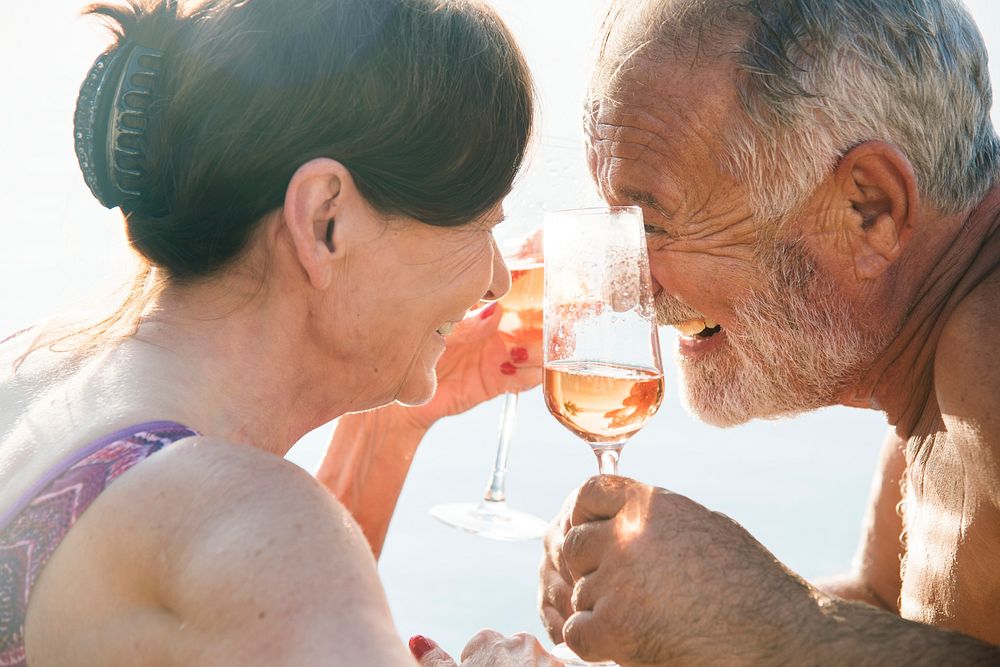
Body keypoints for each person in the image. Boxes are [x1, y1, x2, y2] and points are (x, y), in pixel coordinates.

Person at [0, 0, 561, 664]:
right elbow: (272, 571)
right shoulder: (261, 525)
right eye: (480, 226)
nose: (497, 279)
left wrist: (383, 434)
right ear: (326, 218)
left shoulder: (35, 362)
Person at [540, 0, 1000, 664]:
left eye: (651, 226)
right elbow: (886, 606)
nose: (623, 287)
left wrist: (772, 620)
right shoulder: (934, 344)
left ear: (868, 208)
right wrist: (663, 614)